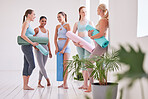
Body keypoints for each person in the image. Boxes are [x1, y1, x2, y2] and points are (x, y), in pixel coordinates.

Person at [86, 4, 109, 92]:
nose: (96, 11)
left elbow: (101, 34)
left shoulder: (103, 20)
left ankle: (91, 85)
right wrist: (90, 34)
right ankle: (101, 85)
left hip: (101, 46)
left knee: (88, 62)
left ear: (100, 10)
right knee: (100, 66)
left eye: (97, 9)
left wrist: (91, 37)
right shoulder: (102, 20)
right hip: (98, 46)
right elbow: (98, 34)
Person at [73, 6, 94, 90]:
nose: (84, 13)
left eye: (85, 11)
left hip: (87, 43)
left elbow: (93, 33)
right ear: (79, 13)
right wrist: (75, 43)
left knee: (87, 63)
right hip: (79, 45)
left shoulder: (89, 22)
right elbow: (72, 35)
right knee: (83, 64)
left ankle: (89, 84)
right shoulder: (76, 23)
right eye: (83, 12)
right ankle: (84, 84)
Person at [20, 9, 38, 90]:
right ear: (29, 15)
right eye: (33, 14)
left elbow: (28, 35)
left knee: (26, 65)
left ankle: (25, 85)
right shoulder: (26, 23)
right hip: (26, 46)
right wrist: (32, 43)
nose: (34, 16)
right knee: (32, 65)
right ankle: (26, 84)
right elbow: (22, 35)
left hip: (28, 46)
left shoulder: (28, 24)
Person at [34, 16, 52, 88]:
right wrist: (35, 47)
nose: (44, 22)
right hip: (38, 49)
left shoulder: (47, 31)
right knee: (41, 66)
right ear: (39, 21)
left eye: (45, 21)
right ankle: (47, 79)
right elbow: (32, 39)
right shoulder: (36, 29)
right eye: (42, 21)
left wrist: (50, 51)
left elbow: (48, 42)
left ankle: (39, 83)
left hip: (45, 49)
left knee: (43, 67)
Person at [54, 12, 71, 89]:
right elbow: (55, 38)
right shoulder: (57, 26)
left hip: (66, 47)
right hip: (59, 46)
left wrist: (64, 48)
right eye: (57, 17)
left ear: (64, 16)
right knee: (60, 66)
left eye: (60, 17)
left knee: (65, 65)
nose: (58, 18)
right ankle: (62, 82)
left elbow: (69, 37)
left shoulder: (67, 25)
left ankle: (65, 83)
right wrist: (56, 48)